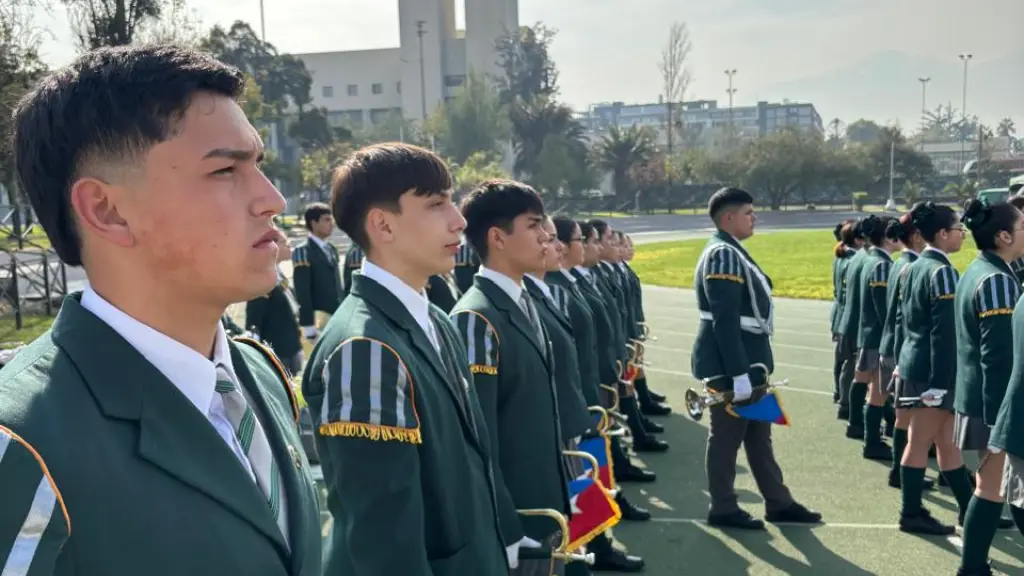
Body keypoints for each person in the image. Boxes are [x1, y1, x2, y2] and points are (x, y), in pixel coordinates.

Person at [0, 44, 323, 574]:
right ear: (107, 210)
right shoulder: (23, 444)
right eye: (224, 170)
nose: (272, 199)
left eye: (258, 165)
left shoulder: (259, 375)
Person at [301, 143, 507, 575]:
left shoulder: (432, 316)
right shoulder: (366, 350)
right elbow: (384, 545)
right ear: (382, 225)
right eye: (436, 204)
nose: (459, 220)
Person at [450, 180, 571, 575]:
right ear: (498, 238)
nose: (546, 235)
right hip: (516, 519)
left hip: (544, 507)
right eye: (534, 225)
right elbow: (478, 439)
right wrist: (505, 524)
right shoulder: (476, 318)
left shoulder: (522, 301)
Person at [691, 187, 821, 529]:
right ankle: (722, 507)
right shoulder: (723, 254)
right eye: (748, 212)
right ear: (728, 218)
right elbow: (724, 320)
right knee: (725, 438)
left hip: (752, 365)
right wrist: (737, 374)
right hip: (735, 366)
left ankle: (778, 502)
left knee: (759, 438)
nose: (754, 217)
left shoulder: (730, 250)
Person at [953, 200, 1024, 575]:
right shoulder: (996, 281)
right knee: (993, 487)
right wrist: (1002, 423)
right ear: (1003, 236)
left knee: (991, 487)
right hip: (993, 404)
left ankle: (973, 566)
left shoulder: (983, 269)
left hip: (978, 399)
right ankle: (971, 567)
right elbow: (998, 358)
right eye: (1023, 227)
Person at [894, 201, 972, 535]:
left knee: (946, 443)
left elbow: (904, 321)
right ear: (941, 234)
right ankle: (910, 512)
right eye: (958, 229)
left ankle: (971, 508)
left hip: (915, 363)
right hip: (931, 372)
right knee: (920, 440)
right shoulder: (942, 272)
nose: (962, 235)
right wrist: (941, 382)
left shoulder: (912, 265)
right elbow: (944, 334)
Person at [571, 222, 657, 484]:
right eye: (597, 241)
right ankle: (612, 477)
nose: (601, 246)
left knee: (606, 427)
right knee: (595, 434)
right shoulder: (565, 285)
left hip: (606, 365)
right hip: (590, 377)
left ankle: (617, 467)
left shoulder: (588, 277)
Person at [879, 213, 935, 491]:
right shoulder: (912, 266)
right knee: (914, 419)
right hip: (904, 348)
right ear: (916, 237)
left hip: (894, 344)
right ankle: (903, 472)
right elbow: (908, 318)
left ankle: (897, 470)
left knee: (904, 417)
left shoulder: (898, 263)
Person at [851, 215, 900, 461]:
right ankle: (872, 442)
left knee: (871, 388)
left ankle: (860, 427)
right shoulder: (881, 264)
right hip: (878, 335)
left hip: (867, 331)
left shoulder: (869, 258)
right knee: (878, 393)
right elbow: (885, 309)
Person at [246, 228, 304, 375]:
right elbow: (254, 321)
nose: (289, 245)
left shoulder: (278, 272)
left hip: (291, 345)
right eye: (285, 242)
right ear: (273, 246)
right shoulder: (262, 279)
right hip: (278, 350)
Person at [292, 202, 342, 342]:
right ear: (314, 223)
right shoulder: (303, 251)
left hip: (336, 317)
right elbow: (303, 292)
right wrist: (309, 325)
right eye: (326, 220)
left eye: (331, 220)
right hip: (319, 320)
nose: (331, 224)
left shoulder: (331, 249)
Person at [830, 220, 858, 408]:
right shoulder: (853, 260)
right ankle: (845, 400)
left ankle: (839, 393)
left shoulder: (840, 258)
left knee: (841, 358)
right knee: (849, 361)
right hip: (848, 314)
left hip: (838, 312)